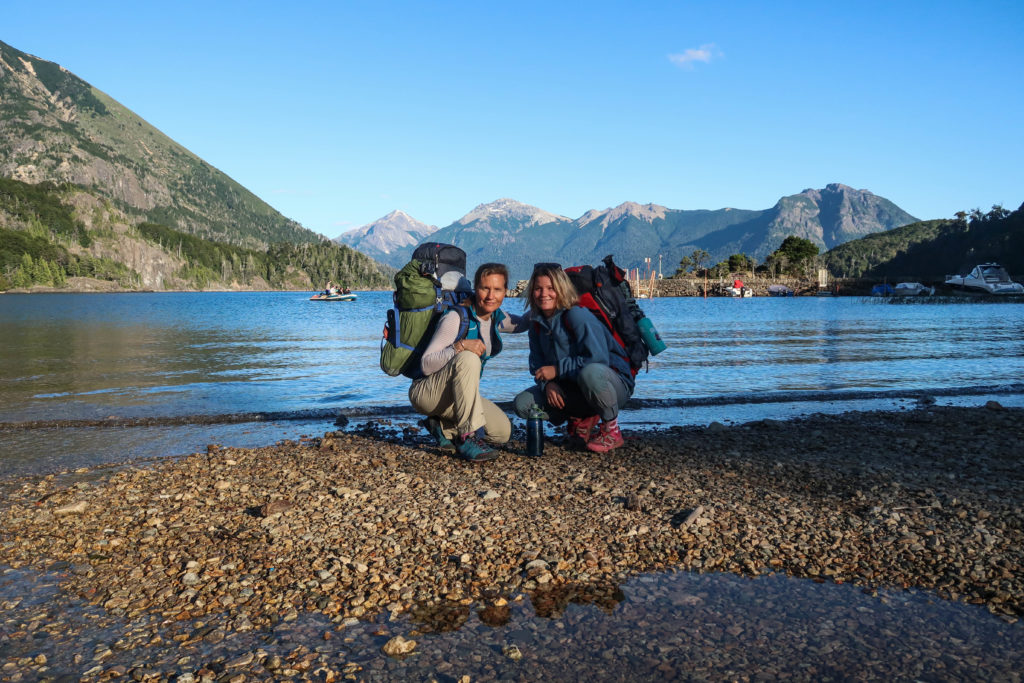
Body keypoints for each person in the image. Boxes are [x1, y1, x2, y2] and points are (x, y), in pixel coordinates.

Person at [410, 263, 528, 462]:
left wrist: (548, 298)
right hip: (426, 393)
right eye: (485, 288)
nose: (491, 296)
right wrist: (460, 346)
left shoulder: (496, 318)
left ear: (505, 292)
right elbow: (426, 364)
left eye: (497, 289)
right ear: (476, 288)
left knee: (502, 432)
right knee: (468, 357)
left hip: (457, 395)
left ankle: (442, 428)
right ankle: (467, 437)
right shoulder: (456, 318)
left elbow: (523, 323)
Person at [513, 263, 634, 453]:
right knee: (523, 404)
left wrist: (558, 370)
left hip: (611, 385)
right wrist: (548, 384)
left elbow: (599, 359)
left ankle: (611, 430)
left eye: (551, 288)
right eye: (538, 288)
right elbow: (537, 365)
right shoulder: (535, 324)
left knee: (591, 373)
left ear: (561, 289)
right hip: (573, 387)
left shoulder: (577, 315)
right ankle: (581, 419)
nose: (544, 294)